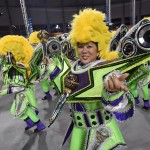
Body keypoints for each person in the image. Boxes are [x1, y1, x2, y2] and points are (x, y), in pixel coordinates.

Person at [30, 8, 150, 149]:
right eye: (81, 46)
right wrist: (51, 67)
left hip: (101, 130)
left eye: (89, 46)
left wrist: (113, 92)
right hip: (78, 129)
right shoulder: (75, 67)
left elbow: (115, 104)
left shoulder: (106, 68)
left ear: (98, 48)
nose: (84, 51)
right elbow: (66, 88)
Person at [0, 35, 46, 132]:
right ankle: (33, 123)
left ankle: (37, 124)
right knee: (21, 110)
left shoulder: (16, 68)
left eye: (4, 54)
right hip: (24, 92)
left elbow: (19, 86)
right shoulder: (13, 67)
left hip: (23, 93)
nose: (3, 56)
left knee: (17, 110)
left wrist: (4, 92)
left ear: (10, 54)